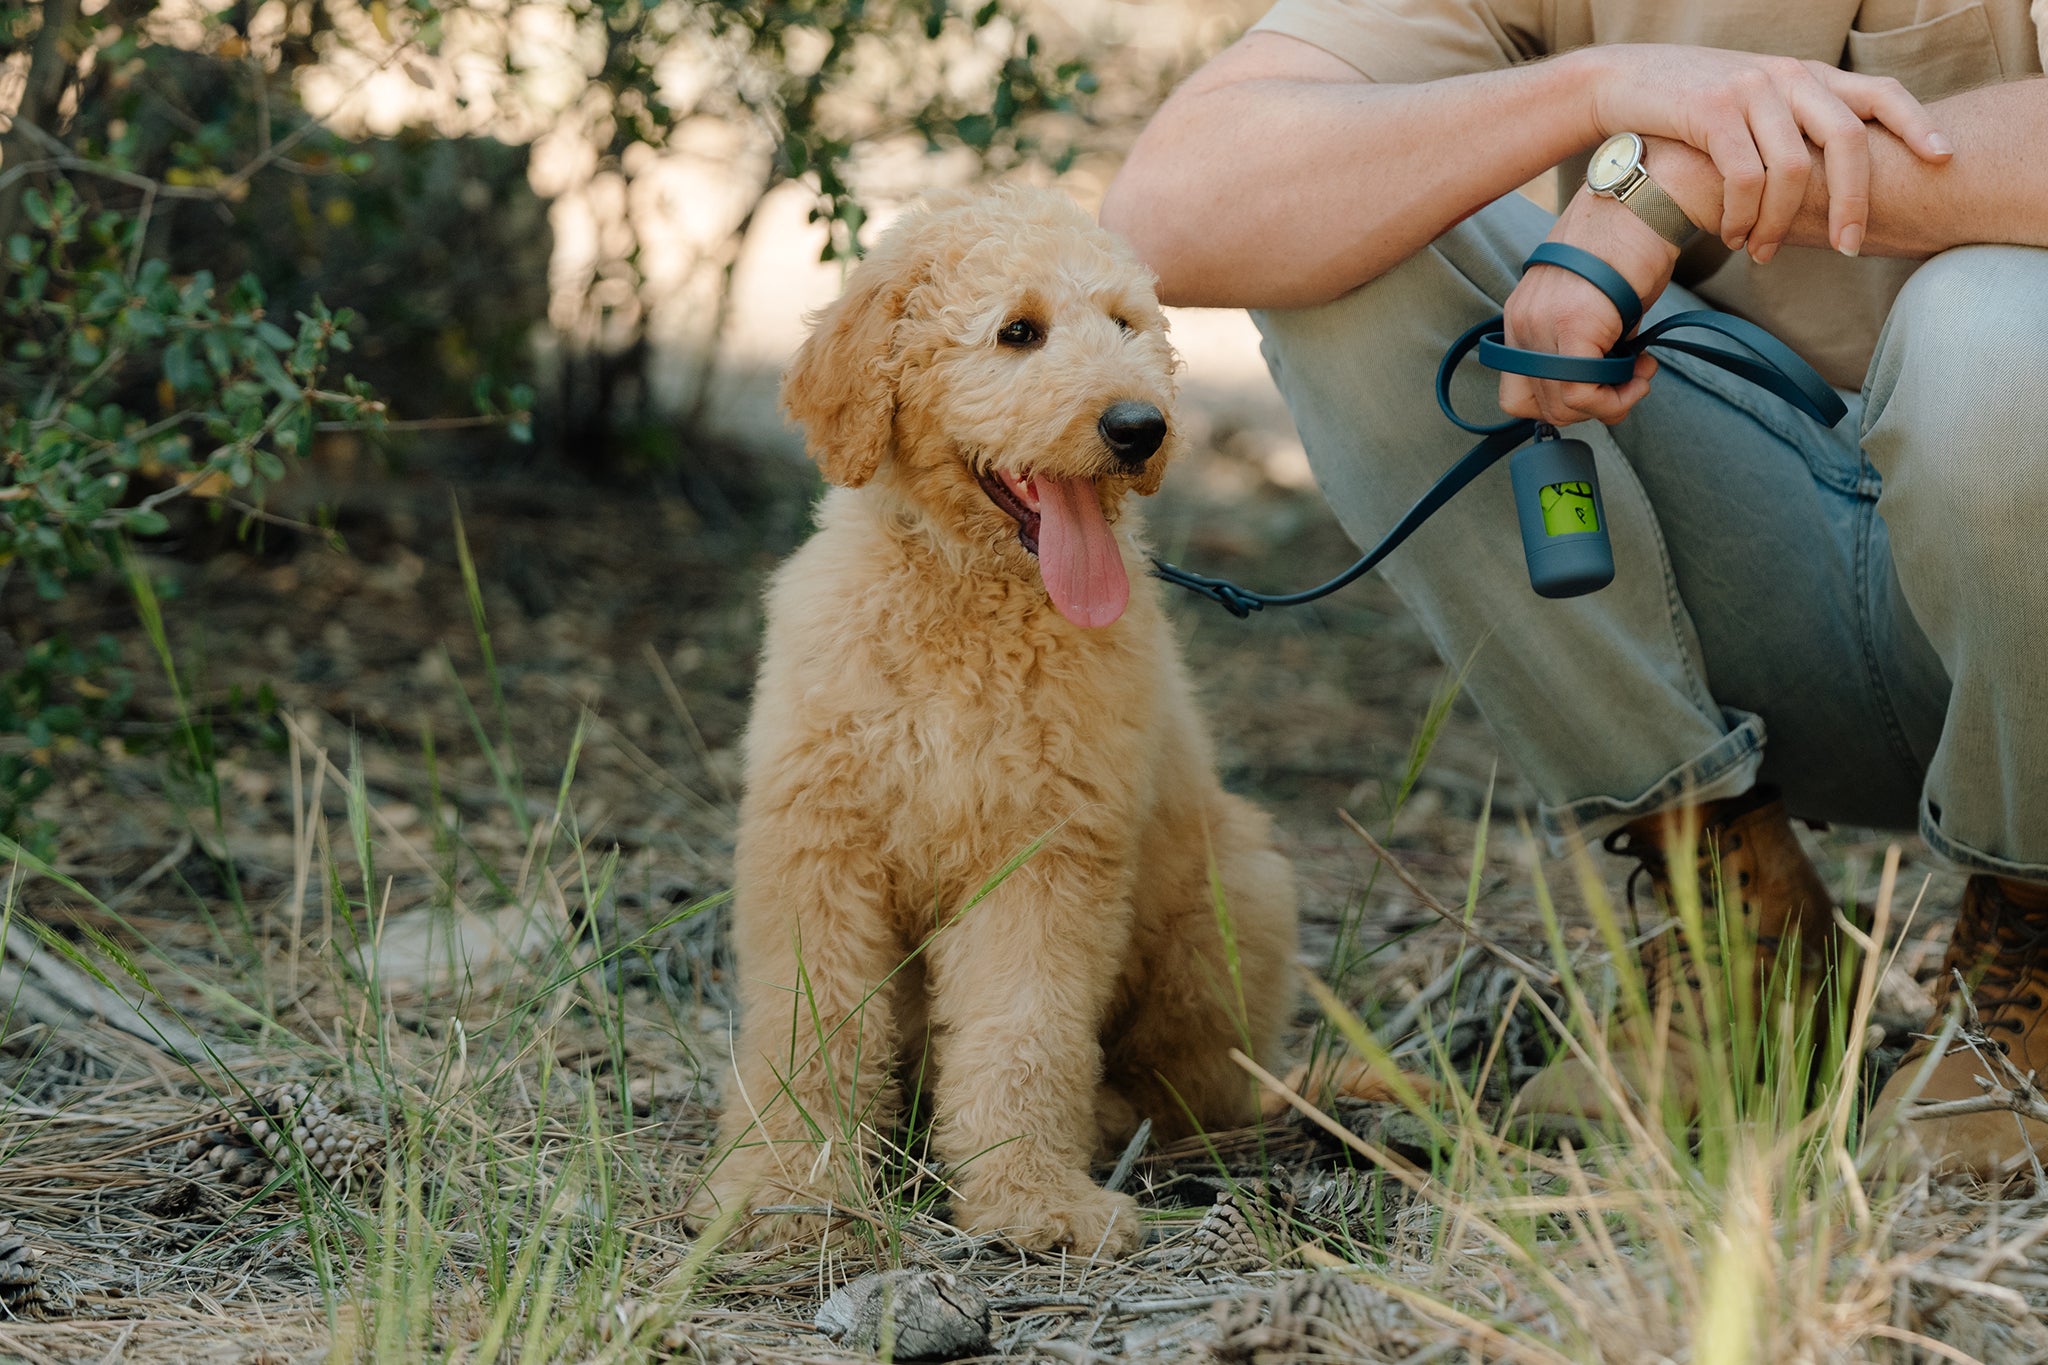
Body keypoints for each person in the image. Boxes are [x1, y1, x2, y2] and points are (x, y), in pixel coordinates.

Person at [1101, 3, 2048, 1174]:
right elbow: (1175, 207)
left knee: (1999, 334)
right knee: (1354, 234)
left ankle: (2033, 939)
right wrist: (1602, 90)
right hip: (1772, 552)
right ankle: (1736, 926)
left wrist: (1665, 187)